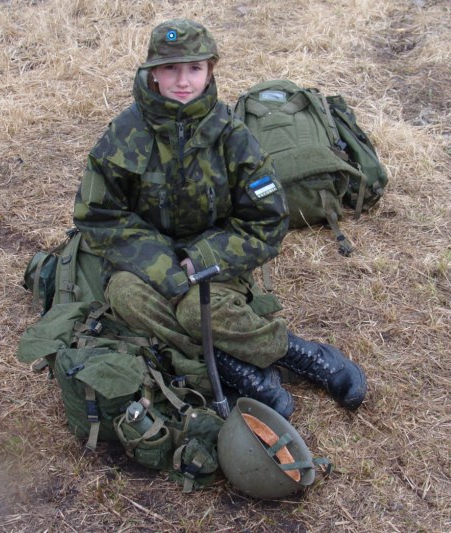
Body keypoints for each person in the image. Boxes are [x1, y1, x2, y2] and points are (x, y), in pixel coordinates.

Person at [73, 19, 367, 419]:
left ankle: (300, 354)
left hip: (217, 260)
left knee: (197, 310)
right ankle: (231, 367)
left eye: (194, 68)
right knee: (126, 297)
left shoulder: (233, 136)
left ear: (210, 71)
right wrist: (162, 265)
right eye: (170, 68)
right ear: (153, 73)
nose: (182, 81)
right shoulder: (123, 135)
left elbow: (267, 221)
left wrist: (203, 256)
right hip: (142, 264)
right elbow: (97, 216)